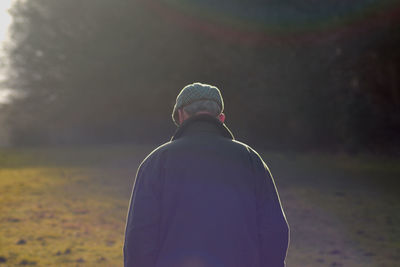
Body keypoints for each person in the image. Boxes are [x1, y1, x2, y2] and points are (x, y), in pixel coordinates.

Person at [124, 82, 289, 267]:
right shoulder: (250, 160)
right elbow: (274, 232)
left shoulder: (156, 163)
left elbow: (139, 238)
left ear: (180, 115)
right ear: (221, 118)